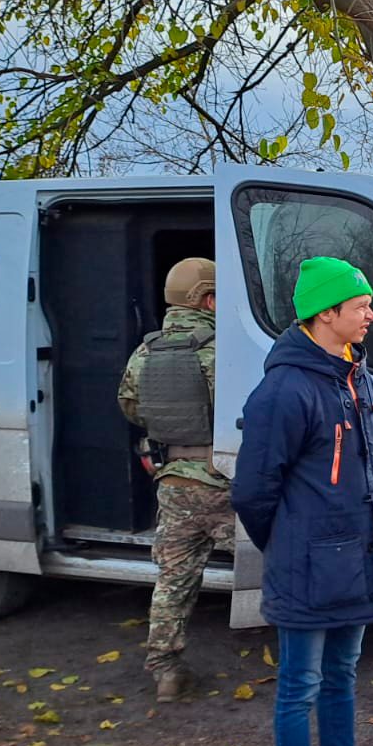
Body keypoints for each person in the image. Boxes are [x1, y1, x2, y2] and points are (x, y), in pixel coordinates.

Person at [232, 256, 373, 746]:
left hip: (356, 559)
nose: (370, 315)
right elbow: (253, 492)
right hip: (306, 568)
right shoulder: (284, 389)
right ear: (325, 313)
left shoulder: (357, 376)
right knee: (299, 687)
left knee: (341, 677)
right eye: (360, 306)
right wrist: (289, 544)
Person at [117, 256, 235, 703]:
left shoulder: (145, 352)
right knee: (276, 565)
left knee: (173, 579)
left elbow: (130, 406)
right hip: (224, 480)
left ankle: (166, 671)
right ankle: (303, 658)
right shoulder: (222, 349)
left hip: (174, 483)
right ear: (207, 298)